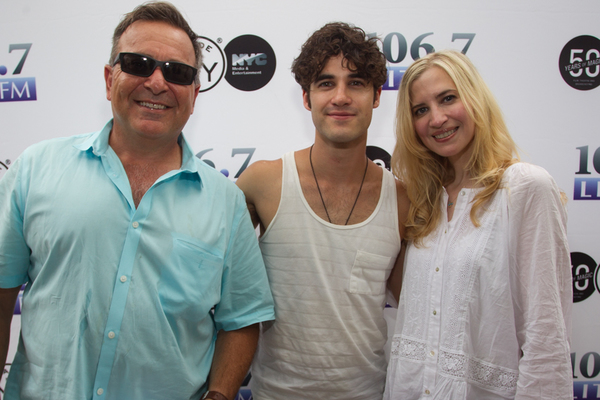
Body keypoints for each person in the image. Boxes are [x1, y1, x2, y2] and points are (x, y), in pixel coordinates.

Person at [0, 2, 274, 399]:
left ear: (195, 93)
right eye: (139, 63)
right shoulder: (35, 169)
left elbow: (242, 320)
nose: (157, 82)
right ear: (110, 78)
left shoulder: (227, 203)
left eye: (177, 72)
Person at [383, 50, 572, 399]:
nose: (436, 118)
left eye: (447, 99)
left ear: (474, 98)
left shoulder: (526, 188)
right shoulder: (426, 200)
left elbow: (546, 336)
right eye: (420, 110)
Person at [236, 22, 409, 400]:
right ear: (306, 97)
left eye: (357, 83)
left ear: (378, 96)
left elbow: (424, 308)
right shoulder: (263, 183)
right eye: (326, 83)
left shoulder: (402, 201)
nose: (341, 97)